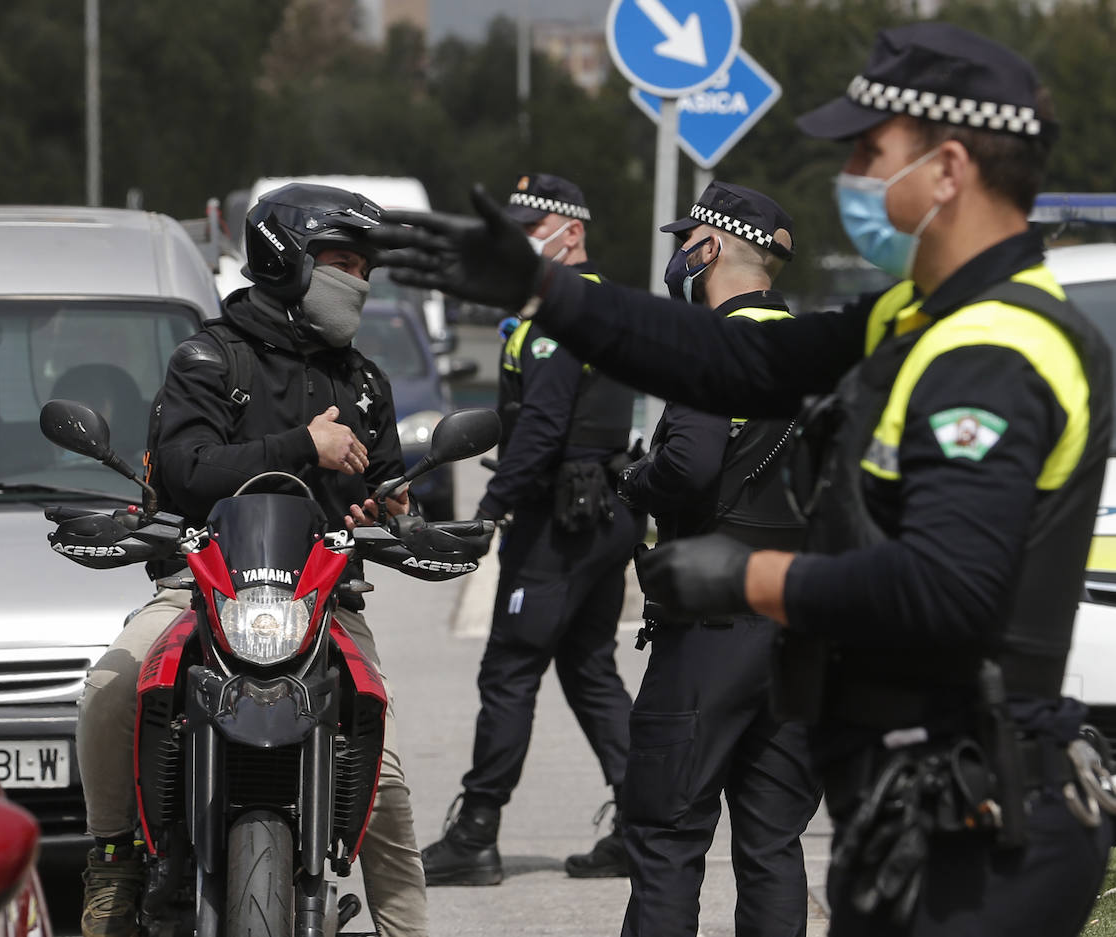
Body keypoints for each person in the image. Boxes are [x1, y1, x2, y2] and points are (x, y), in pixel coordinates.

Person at [370, 22, 1115, 937]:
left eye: (869, 150)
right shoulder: (920, 315)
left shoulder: (997, 349)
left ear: (949, 167)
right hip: (927, 804)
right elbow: (731, 362)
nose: (851, 173)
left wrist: (748, 578)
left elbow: (949, 585)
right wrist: (546, 291)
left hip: (985, 831)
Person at [76, 183, 428, 937]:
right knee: (109, 687)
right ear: (286, 259)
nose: (358, 281)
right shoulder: (208, 357)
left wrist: (392, 510)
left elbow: (388, 484)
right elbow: (185, 471)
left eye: (365, 267)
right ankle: (112, 861)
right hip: (203, 588)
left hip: (323, 601)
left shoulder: (365, 382)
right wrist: (305, 444)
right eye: (341, 261)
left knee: (388, 782)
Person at [420, 173, 642, 886]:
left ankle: (476, 832)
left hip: (562, 523)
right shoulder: (591, 305)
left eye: (531, 228)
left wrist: (491, 509)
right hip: (603, 515)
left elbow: (543, 428)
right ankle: (644, 821)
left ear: (570, 232)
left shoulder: (559, 320)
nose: (519, 242)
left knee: (510, 669)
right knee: (589, 667)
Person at [615, 181, 820, 936]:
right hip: (797, 628)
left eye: (684, 243)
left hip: (711, 628)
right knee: (772, 841)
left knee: (669, 833)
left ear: (707, 250)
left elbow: (690, 467)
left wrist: (636, 478)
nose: (677, 258)